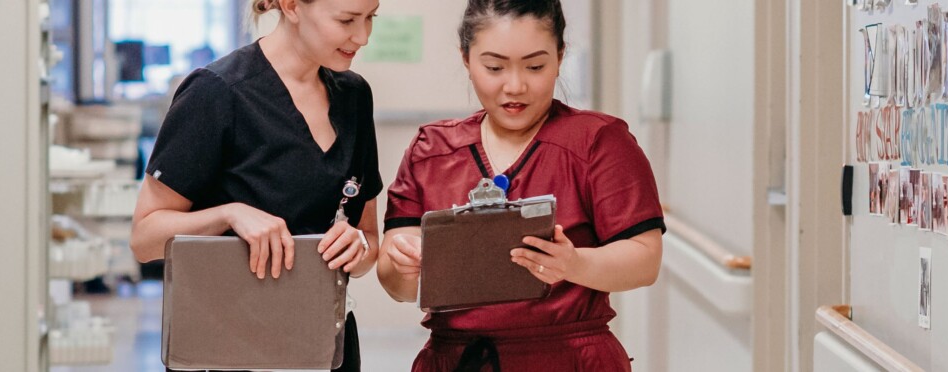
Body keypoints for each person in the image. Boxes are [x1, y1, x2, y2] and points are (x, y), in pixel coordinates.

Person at [377, 0, 665, 370]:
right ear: (466, 58)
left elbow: (645, 259)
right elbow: (395, 284)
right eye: (494, 67)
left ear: (560, 56)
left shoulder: (598, 142)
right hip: (458, 358)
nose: (515, 86)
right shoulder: (431, 150)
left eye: (535, 66)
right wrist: (406, 267)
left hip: (571, 358)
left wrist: (573, 264)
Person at [129, 0, 381, 371]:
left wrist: (358, 247)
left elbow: (369, 239)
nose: (362, 36)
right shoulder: (216, 92)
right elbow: (144, 239)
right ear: (292, 6)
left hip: (322, 347)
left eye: (370, 18)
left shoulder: (354, 96)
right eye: (346, 20)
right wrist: (229, 215)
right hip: (227, 349)